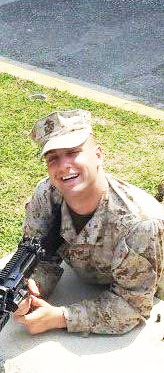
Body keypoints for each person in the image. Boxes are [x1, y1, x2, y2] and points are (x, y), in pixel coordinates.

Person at [13, 109, 164, 336]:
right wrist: (31, 289)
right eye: (53, 158)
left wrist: (61, 317)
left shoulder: (138, 223)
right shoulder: (47, 194)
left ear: (99, 155)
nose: (63, 165)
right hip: (96, 278)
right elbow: (40, 257)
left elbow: (132, 306)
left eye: (73, 152)